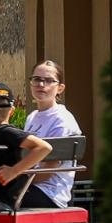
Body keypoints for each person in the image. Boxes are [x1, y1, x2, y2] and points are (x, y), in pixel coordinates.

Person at [0, 80, 56, 211]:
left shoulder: (5, 132)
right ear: (12, 111)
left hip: (2, 197)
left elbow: (44, 148)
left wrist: (13, 171)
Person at [24, 60, 81, 209]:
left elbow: (47, 171)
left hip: (49, 194)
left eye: (49, 80)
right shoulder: (32, 117)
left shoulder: (62, 119)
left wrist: (14, 178)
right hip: (29, 186)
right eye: (36, 79)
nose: (41, 84)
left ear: (60, 88)